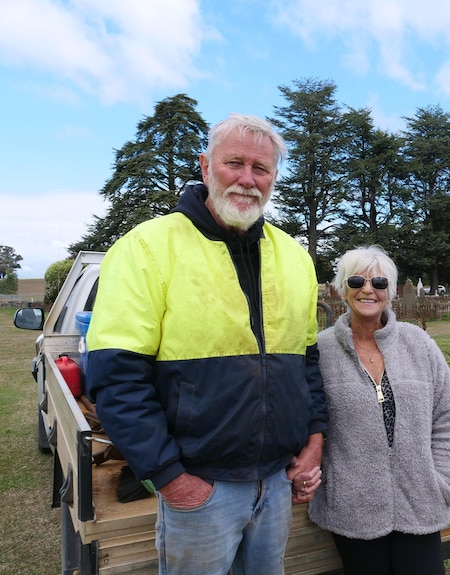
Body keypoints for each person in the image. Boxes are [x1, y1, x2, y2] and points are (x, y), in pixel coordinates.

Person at [86, 113, 327, 575]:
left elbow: (307, 362)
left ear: (274, 178)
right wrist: (172, 480)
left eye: (261, 169)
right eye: (234, 162)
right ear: (204, 166)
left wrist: (314, 441)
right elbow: (117, 379)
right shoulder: (147, 248)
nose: (246, 179)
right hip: (201, 489)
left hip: (276, 483)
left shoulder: (294, 257)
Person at [309, 245, 450, 575]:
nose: (368, 289)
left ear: (390, 291)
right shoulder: (321, 351)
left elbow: (446, 416)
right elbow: (308, 420)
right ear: (340, 288)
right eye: (356, 281)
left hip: (420, 499)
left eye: (379, 282)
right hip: (353, 507)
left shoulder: (418, 344)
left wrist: (445, 481)